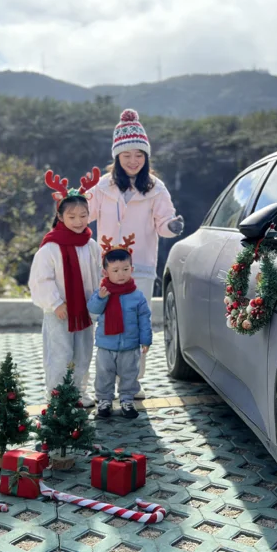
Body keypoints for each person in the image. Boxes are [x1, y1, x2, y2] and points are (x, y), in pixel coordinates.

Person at [87, 108, 184, 397]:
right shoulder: (102, 186)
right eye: (126, 154)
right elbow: (84, 213)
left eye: (139, 154)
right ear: (117, 156)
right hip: (107, 267)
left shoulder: (156, 188)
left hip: (138, 267)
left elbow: (164, 222)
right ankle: (105, 380)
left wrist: (173, 226)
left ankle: (132, 382)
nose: (133, 160)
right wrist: (68, 204)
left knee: (138, 323)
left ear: (146, 157)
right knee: (106, 324)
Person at [29, 167, 102, 407]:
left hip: (85, 311)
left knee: (83, 352)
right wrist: (56, 303)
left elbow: (98, 274)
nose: (78, 221)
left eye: (83, 215)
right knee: (60, 354)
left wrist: (99, 301)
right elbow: (41, 279)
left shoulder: (91, 245)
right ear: (60, 217)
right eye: (72, 217)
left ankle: (79, 391)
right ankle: (58, 395)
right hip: (59, 312)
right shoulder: (50, 247)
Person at [87, 234, 152, 419]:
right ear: (105, 272)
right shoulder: (103, 292)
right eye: (115, 270)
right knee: (104, 374)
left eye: (125, 269)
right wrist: (101, 298)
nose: (121, 274)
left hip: (130, 345)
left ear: (132, 269)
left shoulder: (137, 296)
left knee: (129, 374)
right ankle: (104, 401)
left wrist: (145, 340)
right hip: (106, 345)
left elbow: (144, 319)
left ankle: (127, 400)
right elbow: (93, 309)